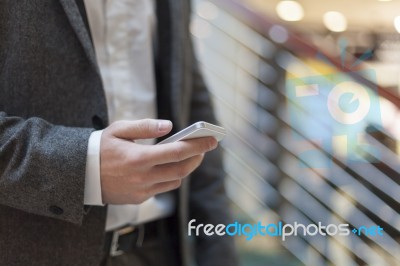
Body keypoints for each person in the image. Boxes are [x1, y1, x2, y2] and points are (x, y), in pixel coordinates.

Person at [0, 0, 238, 265]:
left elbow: (189, 96)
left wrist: (219, 250)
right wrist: (84, 167)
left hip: (161, 249)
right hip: (33, 250)